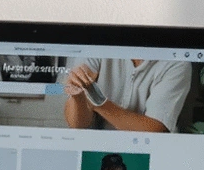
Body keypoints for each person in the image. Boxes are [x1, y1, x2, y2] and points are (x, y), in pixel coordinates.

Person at [63, 56, 191, 132]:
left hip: (149, 152)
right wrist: (78, 96)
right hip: (98, 146)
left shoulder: (178, 63)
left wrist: (97, 102)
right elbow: (77, 125)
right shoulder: (97, 42)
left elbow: (154, 130)